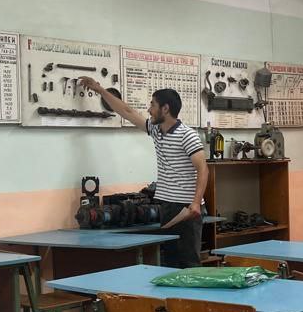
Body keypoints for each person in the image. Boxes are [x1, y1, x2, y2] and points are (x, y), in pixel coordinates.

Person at [79, 77, 208, 268]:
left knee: (189, 264)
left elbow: (203, 169)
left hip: (187, 208)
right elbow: (127, 111)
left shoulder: (187, 135)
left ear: (165, 109)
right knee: (170, 262)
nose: (149, 109)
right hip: (167, 206)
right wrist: (100, 90)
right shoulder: (155, 130)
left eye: (153, 105)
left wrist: (196, 202)